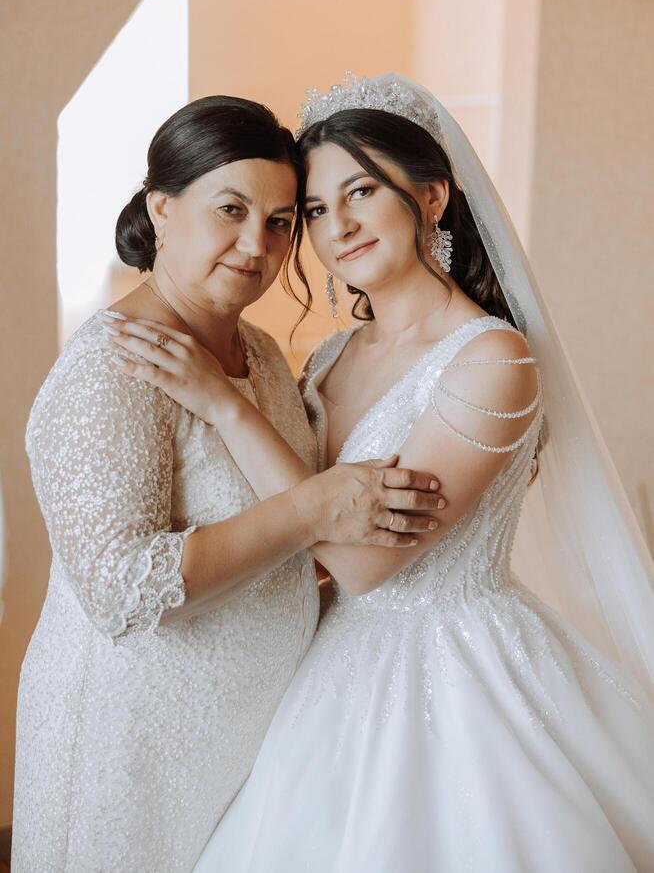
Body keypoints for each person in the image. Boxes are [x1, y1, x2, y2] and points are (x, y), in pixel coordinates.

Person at [110, 74, 654, 872]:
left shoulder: (493, 359)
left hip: (459, 676)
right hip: (322, 668)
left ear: (431, 198)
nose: (340, 227)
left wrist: (225, 407)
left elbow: (361, 561)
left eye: (361, 191)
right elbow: (304, 520)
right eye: (319, 211)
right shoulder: (329, 359)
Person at [12, 93, 448, 873]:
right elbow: (121, 590)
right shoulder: (114, 368)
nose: (257, 244)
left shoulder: (264, 354)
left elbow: (289, 550)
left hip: (247, 749)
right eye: (231, 209)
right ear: (163, 210)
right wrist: (311, 507)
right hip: (131, 749)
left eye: (282, 220)